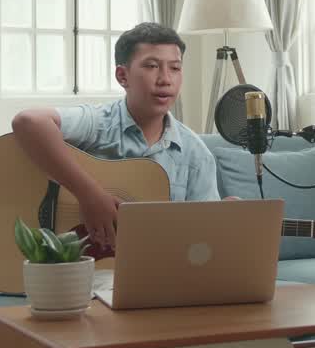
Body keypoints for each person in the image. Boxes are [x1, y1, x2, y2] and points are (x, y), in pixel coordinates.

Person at [11, 22, 218, 249]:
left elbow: (205, 235)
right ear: (122, 76)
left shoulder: (197, 155)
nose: (165, 79)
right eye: (151, 66)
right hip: (81, 263)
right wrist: (89, 195)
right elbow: (28, 121)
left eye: (175, 68)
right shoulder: (98, 123)